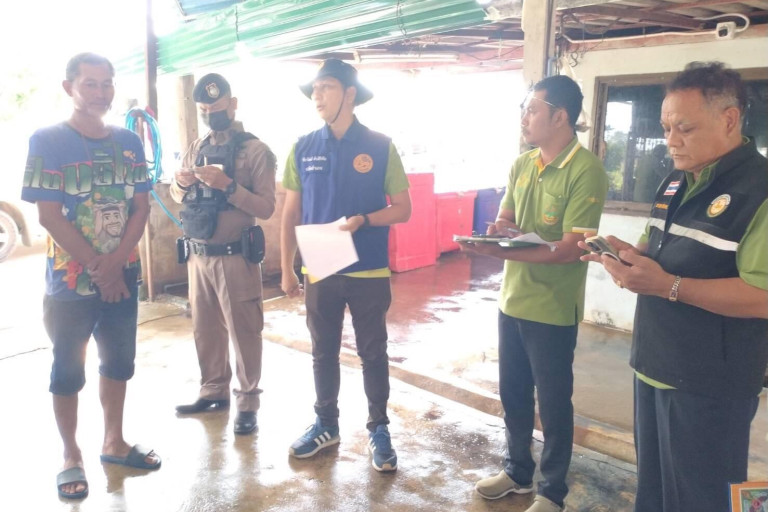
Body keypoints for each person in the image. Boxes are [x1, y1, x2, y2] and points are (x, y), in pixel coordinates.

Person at [579, 62, 768, 512]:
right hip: (654, 361)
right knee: (656, 494)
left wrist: (668, 286)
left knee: (703, 498)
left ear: (729, 119)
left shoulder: (759, 190)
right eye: (666, 128)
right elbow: (657, 247)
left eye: (684, 128)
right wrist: (629, 257)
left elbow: (762, 297)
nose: (671, 140)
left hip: (711, 381)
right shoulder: (675, 181)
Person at [459, 75, 608, 512]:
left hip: (553, 308)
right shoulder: (522, 164)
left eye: (532, 109)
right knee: (514, 394)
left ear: (560, 117)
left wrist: (501, 249)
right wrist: (496, 234)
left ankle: (552, 492)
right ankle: (518, 473)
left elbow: (571, 249)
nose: (524, 118)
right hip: (513, 300)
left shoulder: (586, 170)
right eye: (523, 110)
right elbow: (507, 220)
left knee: (555, 402)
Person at [21, 52, 160, 501]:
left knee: (119, 361)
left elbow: (141, 207)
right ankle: (70, 454)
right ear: (69, 88)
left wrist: (117, 263)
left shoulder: (128, 142)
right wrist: (102, 269)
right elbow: (48, 216)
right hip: (70, 282)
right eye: (90, 84)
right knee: (67, 369)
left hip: (124, 273)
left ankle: (113, 442)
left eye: (107, 83)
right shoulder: (48, 140)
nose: (101, 92)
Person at [280, 59, 412, 472]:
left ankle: (379, 429)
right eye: (315, 89)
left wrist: (365, 220)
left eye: (327, 87)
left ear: (350, 94)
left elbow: (403, 209)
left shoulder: (380, 146)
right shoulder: (303, 147)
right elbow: (290, 212)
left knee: (373, 351)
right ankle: (326, 424)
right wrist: (286, 267)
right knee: (323, 351)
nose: (317, 96)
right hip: (320, 267)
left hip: (368, 268)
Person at [171, 73, 276, 436]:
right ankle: (213, 390)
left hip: (235, 257)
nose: (210, 114)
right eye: (203, 109)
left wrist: (229, 186)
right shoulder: (196, 147)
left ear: (233, 104)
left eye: (216, 107)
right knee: (205, 328)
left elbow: (266, 208)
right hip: (198, 256)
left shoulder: (256, 150)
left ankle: (247, 401)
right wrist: (180, 182)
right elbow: (176, 195)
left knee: (245, 330)